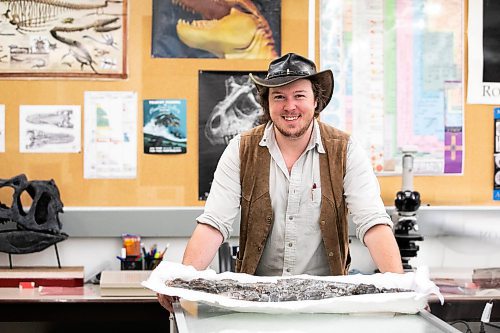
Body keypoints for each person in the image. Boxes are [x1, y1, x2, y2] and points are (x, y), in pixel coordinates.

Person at [158, 52, 403, 312]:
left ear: (316, 101)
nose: (290, 106)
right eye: (279, 97)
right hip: (255, 304)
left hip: (326, 305)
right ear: (267, 104)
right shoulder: (240, 149)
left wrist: (400, 288)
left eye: (299, 96)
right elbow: (215, 223)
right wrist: (183, 279)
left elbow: (372, 221)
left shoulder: (345, 151)